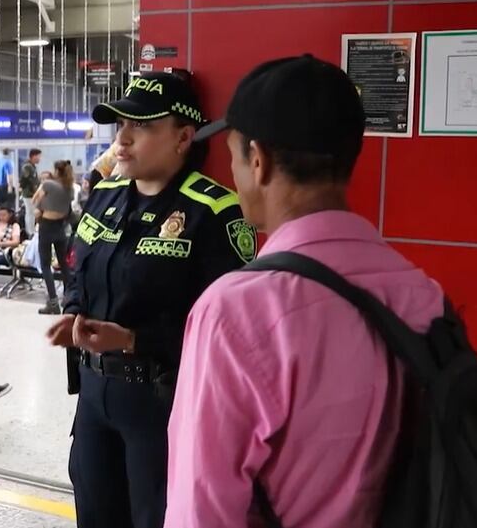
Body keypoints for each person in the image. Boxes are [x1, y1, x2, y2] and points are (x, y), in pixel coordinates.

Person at [164, 55, 446, 528]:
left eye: (234, 157)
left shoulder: (237, 310)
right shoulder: (421, 292)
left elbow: (202, 509)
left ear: (259, 160)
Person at [46, 71, 256, 528]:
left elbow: (229, 333)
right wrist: (73, 313)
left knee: (155, 518)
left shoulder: (214, 212)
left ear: (183, 137)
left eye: (140, 126)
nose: (122, 139)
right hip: (95, 395)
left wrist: (136, 339)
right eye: (120, 125)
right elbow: (78, 270)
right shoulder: (104, 197)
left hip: (162, 402)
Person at [33, 160, 74, 315]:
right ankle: (69, 298)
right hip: (61, 227)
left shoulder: (48, 185)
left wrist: (41, 209)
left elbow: (35, 200)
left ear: (56, 171)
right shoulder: (70, 189)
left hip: (46, 226)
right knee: (64, 264)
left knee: (45, 265)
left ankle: (53, 302)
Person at [19, 148, 41, 235]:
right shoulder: (27, 166)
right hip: (29, 193)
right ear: (33, 156)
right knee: (30, 213)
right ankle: (30, 232)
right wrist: (35, 191)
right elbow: (29, 180)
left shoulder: (32, 166)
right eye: (38, 156)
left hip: (32, 193)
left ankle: (31, 230)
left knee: (31, 213)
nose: (39, 159)